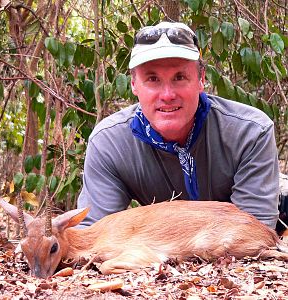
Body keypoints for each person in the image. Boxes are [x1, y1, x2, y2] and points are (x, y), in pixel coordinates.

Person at [77, 21, 279, 229]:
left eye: (179, 77)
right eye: (152, 79)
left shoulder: (250, 132)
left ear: (201, 79)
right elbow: (91, 234)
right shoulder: (109, 144)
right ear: (134, 84)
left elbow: (256, 232)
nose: (167, 95)